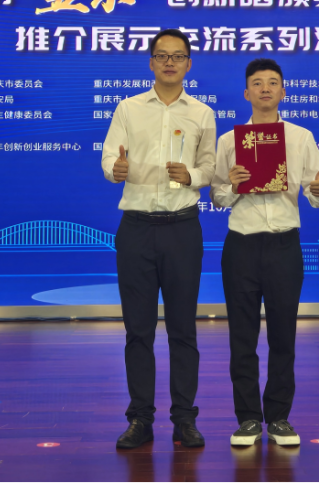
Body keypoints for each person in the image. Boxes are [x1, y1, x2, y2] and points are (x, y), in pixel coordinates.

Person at [101, 29, 216, 449]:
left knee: (183, 329)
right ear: (151, 63)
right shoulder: (128, 108)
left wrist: (193, 176)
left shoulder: (202, 113)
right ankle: (140, 419)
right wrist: (114, 169)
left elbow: (210, 167)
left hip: (182, 228)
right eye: (162, 56)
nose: (170, 62)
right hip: (136, 228)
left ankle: (184, 418)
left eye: (178, 56)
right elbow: (109, 156)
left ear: (189, 64)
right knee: (138, 330)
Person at [210, 58, 319, 447]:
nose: (265, 88)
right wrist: (233, 186)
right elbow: (217, 196)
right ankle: (247, 419)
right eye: (258, 83)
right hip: (241, 246)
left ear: (283, 91)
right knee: (241, 337)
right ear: (246, 93)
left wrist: (317, 191)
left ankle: (279, 417)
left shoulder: (300, 137)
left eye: (273, 82)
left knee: (283, 335)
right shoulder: (229, 141)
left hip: (283, 245)